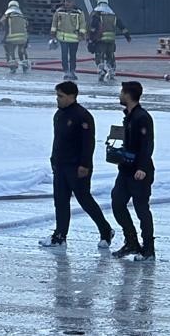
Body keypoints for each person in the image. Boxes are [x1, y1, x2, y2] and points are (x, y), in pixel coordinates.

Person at [39, 80, 114, 250]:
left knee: (84, 199)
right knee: (60, 200)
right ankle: (60, 235)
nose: (57, 99)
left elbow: (88, 143)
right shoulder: (59, 114)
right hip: (60, 164)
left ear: (72, 96)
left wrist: (85, 164)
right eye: (57, 96)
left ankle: (105, 230)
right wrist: (54, 159)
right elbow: (58, 140)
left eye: (61, 96)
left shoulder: (82, 116)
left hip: (77, 166)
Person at [109, 80, 156, 261]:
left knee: (141, 209)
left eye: (121, 92)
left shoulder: (142, 117)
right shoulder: (129, 116)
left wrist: (142, 168)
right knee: (118, 203)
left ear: (128, 94)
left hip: (139, 172)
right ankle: (131, 242)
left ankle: (149, 248)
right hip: (126, 169)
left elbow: (147, 144)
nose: (119, 95)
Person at [89, 0, 130, 83]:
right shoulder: (113, 15)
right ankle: (111, 72)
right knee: (110, 56)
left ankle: (101, 71)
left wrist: (90, 40)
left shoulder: (97, 14)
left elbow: (93, 28)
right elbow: (121, 26)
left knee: (99, 56)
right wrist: (127, 36)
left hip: (100, 40)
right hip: (111, 40)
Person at [50, 0, 86, 82]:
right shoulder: (59, 11)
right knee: (64, 55)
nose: (67, 3)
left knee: (73, 56)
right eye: (66, 1)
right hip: (62, 38)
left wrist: (81, 34)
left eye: (69, 2)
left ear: (73, 3)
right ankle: (66, 71)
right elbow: (54, 23)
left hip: (74, 38)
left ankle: (72, 71)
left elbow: (82, 24)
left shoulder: (79, 12)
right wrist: (53, 34)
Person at [0, 0, 32, 74]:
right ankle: (25, 67)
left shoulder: (7, 15)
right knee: (22, 51)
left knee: (10, 52)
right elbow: (27, 27)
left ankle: (13, 68)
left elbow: (0, 24)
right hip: (23, 38)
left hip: (11, 39)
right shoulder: (22, 16)